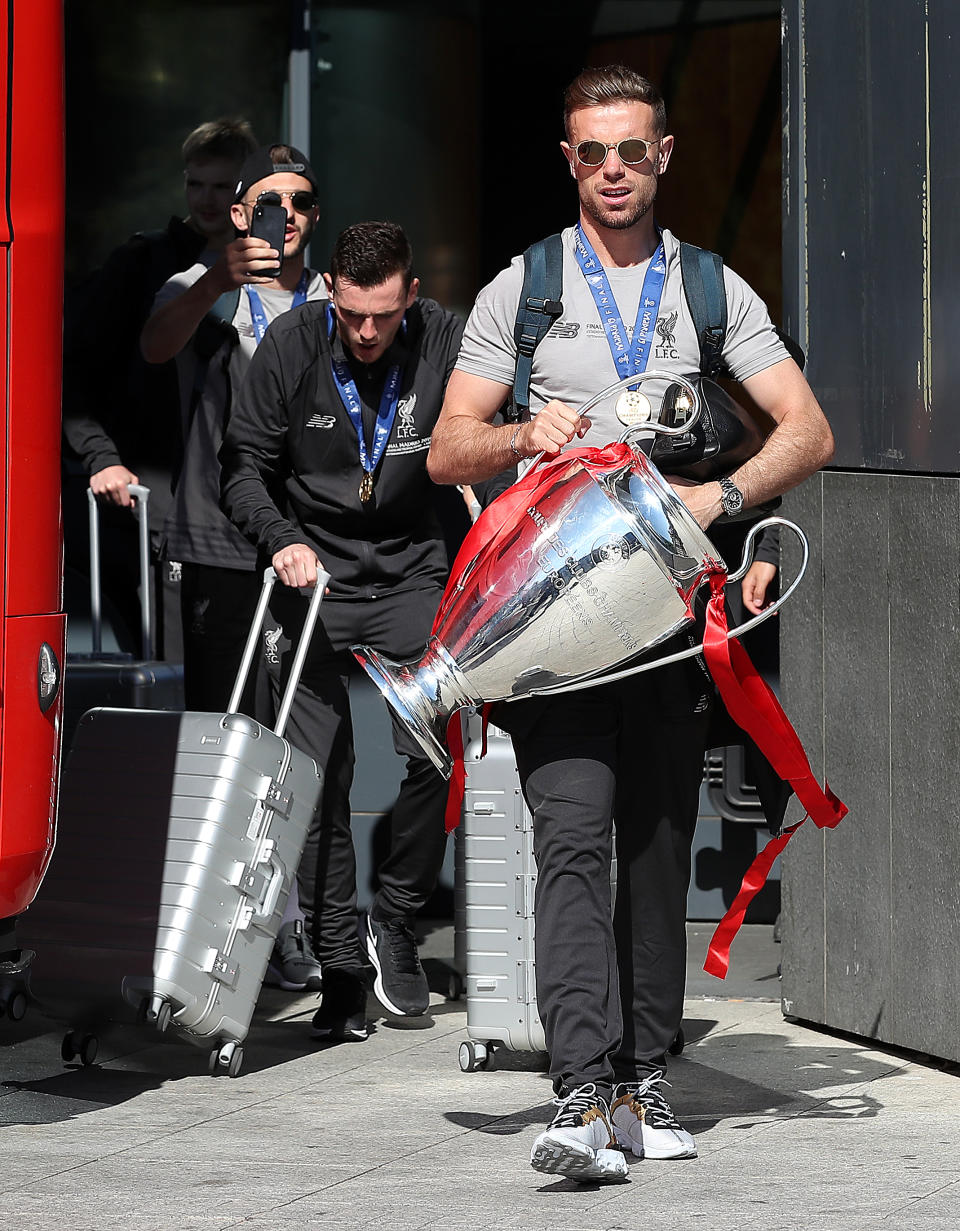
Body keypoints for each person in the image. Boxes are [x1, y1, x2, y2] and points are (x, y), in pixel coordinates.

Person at [427, 65, 834, 1182]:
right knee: (569, 844)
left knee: (655, 853)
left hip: (665, 620)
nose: (612, 169)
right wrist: (523, 435)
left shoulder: (712, 290)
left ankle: (645, 1079)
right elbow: (446, 447)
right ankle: (577, 1090)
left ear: (663, 157)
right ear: (569, 161)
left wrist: (722, 500)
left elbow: (806, 430)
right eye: (591, 152)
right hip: (555, 633)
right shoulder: (526, 289)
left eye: (631, 150)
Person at [219, 221, 465, 1041]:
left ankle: (393, 918)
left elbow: (492, 414)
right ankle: (339, 965)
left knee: (435, 747)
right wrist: (280, 538)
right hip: (311, 568)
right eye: (353, 314)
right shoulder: (289, 346)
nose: (366, 333)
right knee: (311, 770)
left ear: (411, 297)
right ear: (331, 289)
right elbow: (243, 465)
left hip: (412, 566)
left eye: (383, 317)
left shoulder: (443, 337)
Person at [140, 143, 327, 991]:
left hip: (311, 547)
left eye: (298, 203)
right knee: (227, 741)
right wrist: (219, 278)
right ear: (241, 213)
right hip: (219, 546)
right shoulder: (203, 287)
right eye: (264, 203)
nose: (280, 218)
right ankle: (222, 931)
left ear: (312, 217)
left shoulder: (334, 303)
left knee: (303, 744)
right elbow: (152, 343)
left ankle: (300, 924)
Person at [62, 117, 257, 655]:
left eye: (223, 186)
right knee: (165, 662)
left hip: (241, 503)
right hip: (153, 500)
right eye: (196, 183)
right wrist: (102, 458)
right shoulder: (143, 263)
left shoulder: (278, 272)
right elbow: (75, 370)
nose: (207, 199)